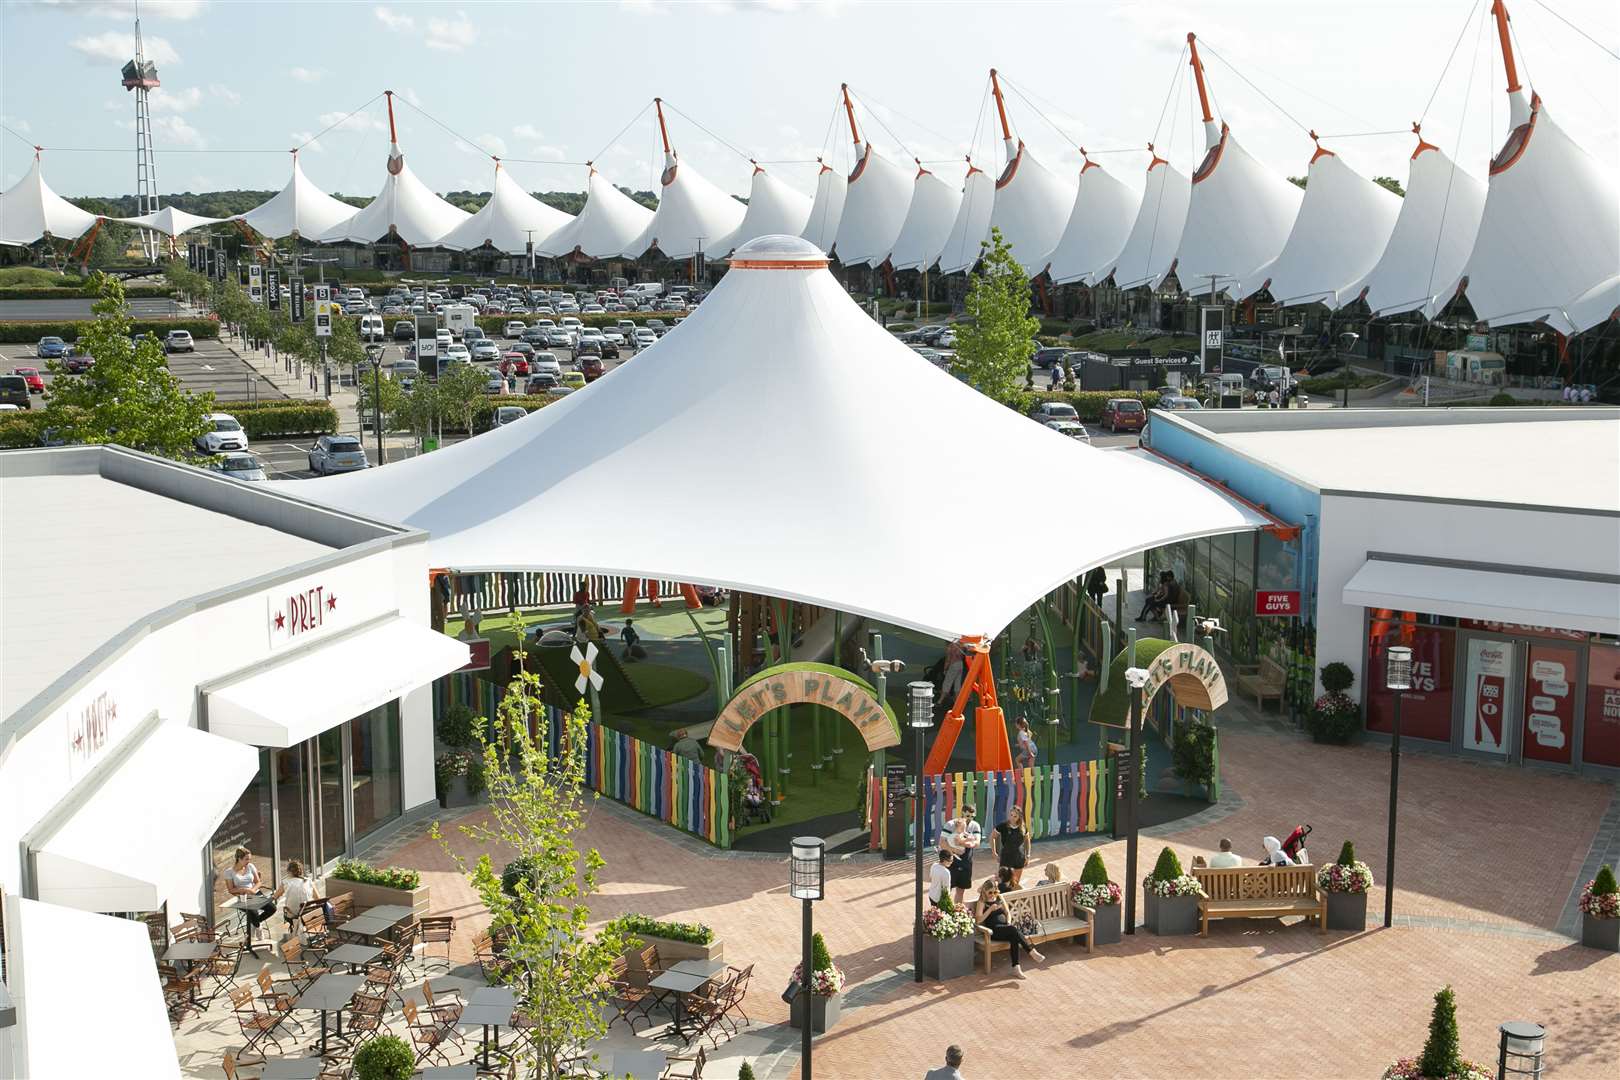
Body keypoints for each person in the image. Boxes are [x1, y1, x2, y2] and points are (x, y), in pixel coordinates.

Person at [973, 878, 1043, 979]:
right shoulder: (982, 902)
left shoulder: (999, 897)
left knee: (1014, 936)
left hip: (1005, 928)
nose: (993, 894)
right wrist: (989, 910)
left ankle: (1016, 968)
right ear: (985, 891)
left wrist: (1009, 922)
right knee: (1013, 931)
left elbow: (1007, 913)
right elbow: (978, 921)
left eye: (995, 891)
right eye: (990, 892)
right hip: (994, 931)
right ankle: (1031, 951)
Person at [224, 847, 277, 939]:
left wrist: (252, 890)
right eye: (246, 859)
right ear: (239, 859)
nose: (249, 861)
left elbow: (258, 882)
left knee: (272, 908)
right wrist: (244, 890)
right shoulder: (229, 872)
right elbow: (231, 890)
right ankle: (258, 928)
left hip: (255, 893)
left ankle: (255, 923)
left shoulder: (250, 866)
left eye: (249, 859)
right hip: (242, 897)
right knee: (253, 912)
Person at [940, 804, 981, 906]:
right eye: (968, 816)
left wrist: (961, 843)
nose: (970, 819)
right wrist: (954, 850)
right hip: (950, 861)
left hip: (966, 861)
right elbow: (942, 842)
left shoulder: (975, 825)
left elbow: (977, 843)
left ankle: (958, 911)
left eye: (972, 816)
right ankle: (944, 912)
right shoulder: (950, 824)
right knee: (946, 889)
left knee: (961, 890)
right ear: (962, 813)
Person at [277, 859, 321, 941]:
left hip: (292, 915)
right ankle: (299, 931)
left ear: (289, 871)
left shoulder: (286, 882)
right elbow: (318, 899)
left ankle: (294, 930)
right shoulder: (308, 881)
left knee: (283, 907)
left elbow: (275, 896)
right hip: (308, 914)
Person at [993, 804, 1029, 888]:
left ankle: (1013, 900)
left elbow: (1027, 840)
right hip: (1006, 857)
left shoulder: (1023, 827)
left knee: (1015, 883)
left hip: (1019, 857)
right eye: (1011, 815)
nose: (1012, 818)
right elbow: (992, 837)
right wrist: (994, 852)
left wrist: (1028, 855)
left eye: (1015, 816)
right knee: (1003, 882)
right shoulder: (1003, 826)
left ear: (1019, 817)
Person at [940, 638, 966, 703]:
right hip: (960, 664)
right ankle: (957, 702)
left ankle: (940, 701)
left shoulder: (950, 647)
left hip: (953, 664)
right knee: (957, 684)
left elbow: (948, 659)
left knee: (947, 683)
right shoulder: (960, 645)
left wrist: (945, 669)